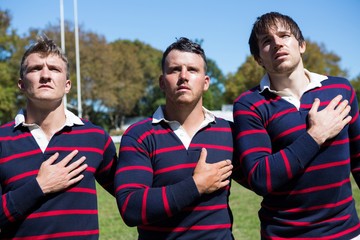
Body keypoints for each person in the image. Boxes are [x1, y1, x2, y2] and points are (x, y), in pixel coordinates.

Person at [232, 11, 360, 239]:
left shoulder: (341, 90)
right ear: (259, 58)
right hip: (285, 234)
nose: (277, 43)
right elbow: (260, 177)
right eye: (267, 41)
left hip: (346, 233)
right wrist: (315, 136)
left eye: (284, 36)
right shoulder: (249, 104)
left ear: (301, 45)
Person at [115, 37, 234, 239]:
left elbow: (264, 179)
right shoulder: (139, 135)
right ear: (162, 82)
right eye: (174, 70)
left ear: (206, 82)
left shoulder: (230, 132)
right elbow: (130, 206)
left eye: (193, 70)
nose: (184, 77)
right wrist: (196, 185)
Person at [0, 35, 117, 239]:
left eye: (54, 69)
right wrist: (39, 186)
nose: (45, 75)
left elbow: (133, 198)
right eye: (35, 69)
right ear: (21, 84)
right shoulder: (2, 140)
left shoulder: (95, 137)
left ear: (67, 85)